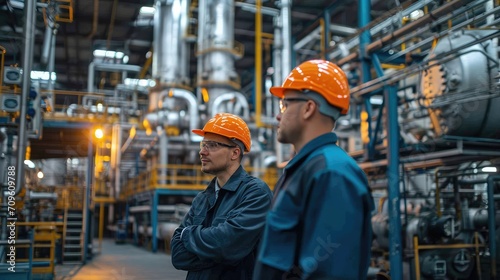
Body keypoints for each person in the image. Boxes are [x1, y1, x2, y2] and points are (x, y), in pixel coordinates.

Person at [253, 59, 375, 279]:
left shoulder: (332, 173)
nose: (278, 115)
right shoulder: (307, 167)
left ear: (308, 108)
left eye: (285, 104)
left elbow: (328, 272)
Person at [171, 113, 273, 279]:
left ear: (234, 153)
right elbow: (177, 255)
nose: (202, 152)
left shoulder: (255, 193)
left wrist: (187, 235)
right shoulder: (202, 199)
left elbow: (228, 247)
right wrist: (217, 251)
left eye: (212, 145)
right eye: (203, 145)